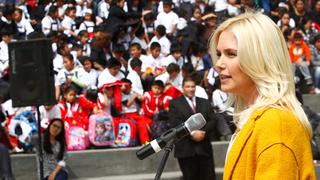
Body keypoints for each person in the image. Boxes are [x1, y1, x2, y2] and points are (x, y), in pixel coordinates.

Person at [210, 12, 316, 179]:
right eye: (219, 54)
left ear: (260, 58)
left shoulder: (276, 123)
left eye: (231, 54)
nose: (218, 64)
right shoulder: (259, 119)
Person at [168, 76, 218, 180]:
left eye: (193, 86)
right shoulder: (174, 103)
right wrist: (191, 133)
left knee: (209, 176)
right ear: (183, 88)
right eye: (188, 87)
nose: (191, 89)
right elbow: (175, 122)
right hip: (186, 148)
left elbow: (213, 119)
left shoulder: (204, 102)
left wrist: (203, 132)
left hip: (204, 148)